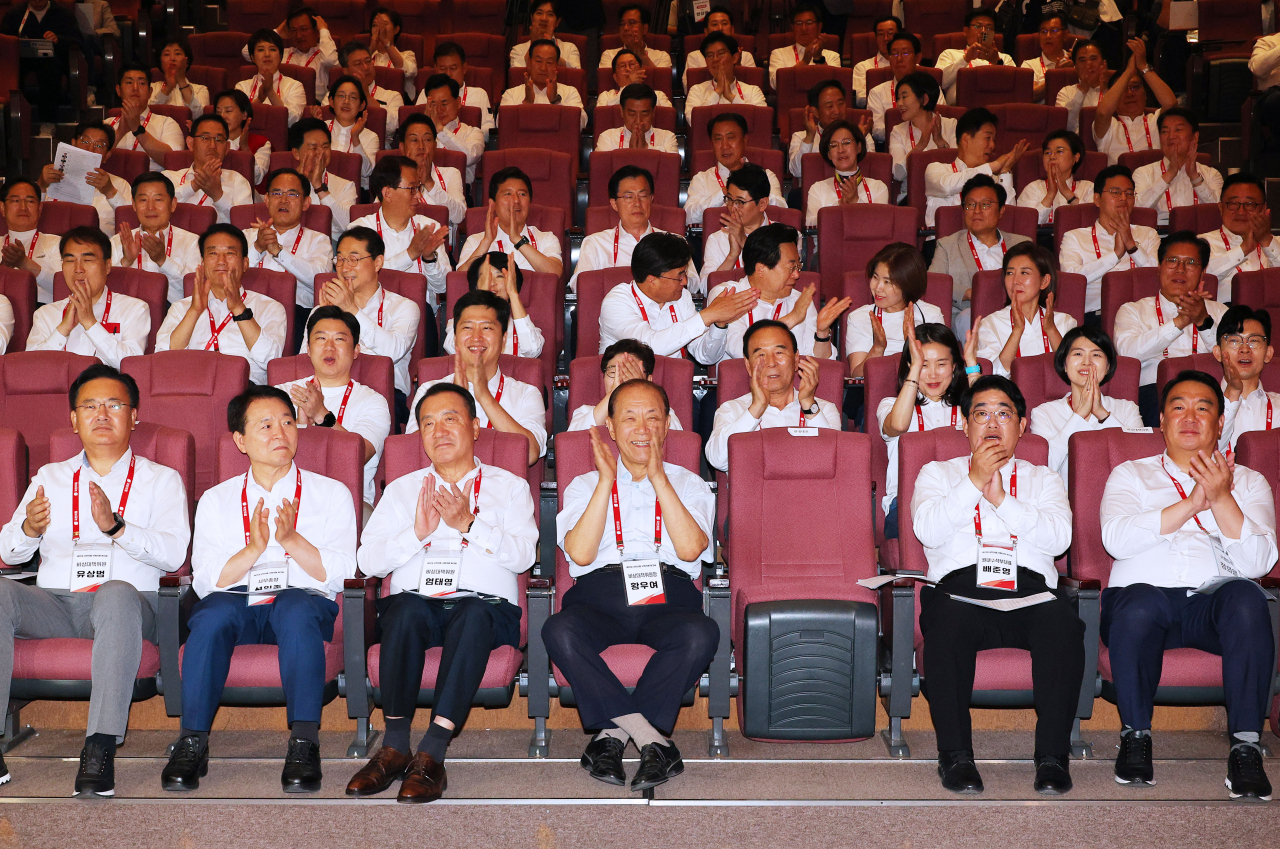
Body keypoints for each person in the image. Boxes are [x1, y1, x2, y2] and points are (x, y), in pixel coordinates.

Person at [0, 364, 189, 796]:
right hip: (55, 604)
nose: (101, 414)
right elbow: (10, 554)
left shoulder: (162, 480)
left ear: (134, 415)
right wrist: (28, 530)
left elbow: (175, 555)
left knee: (116, 592)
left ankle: (100, 745)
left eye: (114, 404)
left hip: (127, 605)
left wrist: (118, 528)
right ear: (73, 419)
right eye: (89, 406)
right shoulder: (50, 477)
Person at [345, 382, 536, 803]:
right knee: (405, 610)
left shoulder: (509, 486)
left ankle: (431, 751)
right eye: (428, 423)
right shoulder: (400, 490)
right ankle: (395, 747)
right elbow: (369, 561)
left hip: (486, 606)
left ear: (475, 427)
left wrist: (470, 524)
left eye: (450, 418)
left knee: (471, 613)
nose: (439, 430)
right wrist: (417, 533)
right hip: (417, 601)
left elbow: (523, 556)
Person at [161, 385, 357, 793]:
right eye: (265, 425)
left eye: (287, 422)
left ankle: (304, 742)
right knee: (211, 616)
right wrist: (253, 549)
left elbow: (341, 574)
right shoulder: (217, 499)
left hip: (300, 602)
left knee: (297, 608)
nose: (280, 433)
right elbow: (207, 579)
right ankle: (192, 741)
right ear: (240, 440)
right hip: (238, 601)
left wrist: (292, 542)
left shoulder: (331, 493)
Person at [1099, 370, 1276, 800]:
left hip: (1213, 603)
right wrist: (1192, 503)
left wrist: (1220, 498)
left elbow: (1260, 560)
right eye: (1178, 406)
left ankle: (1247, 747)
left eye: (1203, 408)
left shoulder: (1249, 482)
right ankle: (1136, 737)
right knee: (1139, 603)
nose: (1190, 416)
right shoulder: (1129, 475)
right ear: (1160, 420)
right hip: (1142, 600)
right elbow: (1116, 540)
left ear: (1219, 424)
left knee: (1249, 597)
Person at [910, 374, 1080, 795]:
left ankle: (1053, 757)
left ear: (1022, 426)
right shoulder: (936, 473)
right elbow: (927, 530)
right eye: (980, 414)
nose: (991, 423)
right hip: (960, 589)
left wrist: (1003, 500)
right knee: (945, 627)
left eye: (1003, 414)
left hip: (1030, 589)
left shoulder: (1044, 479)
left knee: (1063, 623)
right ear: (964, 425)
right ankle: (955, 755)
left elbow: (1059, 540)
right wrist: (973, 481)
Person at [547, 379, 718, 791]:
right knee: (559, 630)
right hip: (600, 596)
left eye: (652, 417)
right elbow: (581, 555)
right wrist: (607, 482)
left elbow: (693, 549)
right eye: (630, 417)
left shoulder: (690, 483)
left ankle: (609, 739)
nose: (642, 427)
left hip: (669, 596)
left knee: (702, 633)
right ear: (610, 425)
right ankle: (650, 740)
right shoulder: (585, 484)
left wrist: (660, 479)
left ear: (666, 425)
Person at [404, 290, 547, 465]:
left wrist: (484, 396)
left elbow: (530, 454)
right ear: (455, 339)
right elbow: (412, 453)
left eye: (486, 328)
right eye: (467, 327)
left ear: (503, 340)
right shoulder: (429, 390)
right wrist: (454, 401)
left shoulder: (527, 393)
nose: (476, 337)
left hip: (501, 490)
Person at [276, 306, 390, 513]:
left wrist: (321, 415)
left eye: (339, 339)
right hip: (284, 494)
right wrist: (302, 427)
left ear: (356, 350)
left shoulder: (373, 402)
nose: (329, 348)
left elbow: (358, 456)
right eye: (320, 339)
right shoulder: (280, 394)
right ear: (308, 349)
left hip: (348, 499)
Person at [1113, 232, 1228, 424]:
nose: (1180, 269)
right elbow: (1127, 353)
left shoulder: (1219, 312)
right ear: (1159, 267)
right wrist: (1178, 323)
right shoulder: (1132, 310)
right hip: (1155, 393)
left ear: (1203, 271)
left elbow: (1232, 357)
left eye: (1190, 262)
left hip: (1210, 392)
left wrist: (1203, 321)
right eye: (1172, 260)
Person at [155, 224, 288, 384]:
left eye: (230, 253)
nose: (221, 261)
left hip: (245, 393)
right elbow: (161, 358)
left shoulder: (270, 308)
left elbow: (270, 361)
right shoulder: (181, 308)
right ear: (203, 263)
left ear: (245, 263)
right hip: (192, 388)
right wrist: (194, 312)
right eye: (213, 253)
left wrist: (239, 309)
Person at [878, 321, 976, 538]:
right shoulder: (890, 406)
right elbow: (898, 425)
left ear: (954, 367)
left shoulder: (967, 410)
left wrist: (971, 364)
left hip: (964, 499)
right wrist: (914, 367)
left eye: (941, 364)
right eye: (924, 364)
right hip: (907, 502)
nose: (933, 375)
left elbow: (989, 421)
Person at [312, 226, 421, 420]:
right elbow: (307, 357)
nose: (345, 268)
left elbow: (393, 352)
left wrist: (351, 309)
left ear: (378, 262)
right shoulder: (323, 309)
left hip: (385, 395)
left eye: (354, 259)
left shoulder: (404, 307)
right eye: (341, 259)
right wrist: (324, 319)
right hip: (331, 391)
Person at [705, 320, 842, 472]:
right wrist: (756, 408)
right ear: (748, 365)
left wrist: (809, 404)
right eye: (761, 354)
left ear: (796, 359)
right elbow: (718, 460)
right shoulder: (732, 410)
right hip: (754, 495)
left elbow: (834, 461)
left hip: (811, 493)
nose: (771, 363)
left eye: (779, 352)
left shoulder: (823, 409)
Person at [598, 232, 754, 362]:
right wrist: (708, 315)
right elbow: (649, 348)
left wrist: (719, 325)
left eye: (685, 273)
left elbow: (706, 357)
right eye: (679, 276)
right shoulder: (616, 302)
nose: (685, 282)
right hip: (627, 391)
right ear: (652, 279)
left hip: (673, 385)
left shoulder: (682, 297)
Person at [706, 223, 847, 365]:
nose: (797, 275)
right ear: (761, 269)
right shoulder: (727, 295)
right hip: (741, 385)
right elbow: (741, 350)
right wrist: (791, 319)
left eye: (798, 266)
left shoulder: (800, 300)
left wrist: (822, 334)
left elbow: (819, 364)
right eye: (791, 267)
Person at [1029, 325, 1144, 482]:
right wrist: (1078, 416)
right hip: (1063, 500)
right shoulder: (1044, 413)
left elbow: (1140, 462)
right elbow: (1044, 466)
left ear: (1108, 366)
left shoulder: (1128, 409)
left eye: (1096, 355)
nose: (1087, 362)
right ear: (1064, 363)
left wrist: (1103, 414)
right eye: (1078, 354)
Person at [26, 227, 149, 368]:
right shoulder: (45, 315)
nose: (78, 269)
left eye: (88, 259)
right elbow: (31, 370)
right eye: (70, 261)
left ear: (108, 266)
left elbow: (132, 366)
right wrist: (62, 330)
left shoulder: (134, 309)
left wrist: (90, 323)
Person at [930, 174, 1031, 337]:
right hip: (974, 316)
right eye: (970, 205)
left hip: (1017, 310)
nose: (976, 210)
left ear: (1001, 211)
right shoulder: (948, 245)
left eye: (985, 204)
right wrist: (970, 293)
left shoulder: (1022, 244)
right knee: (967, 317)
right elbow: (934, 285)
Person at [571, 165, 697, 294]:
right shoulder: (596, 243)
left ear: (651, 199)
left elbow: (693, 285)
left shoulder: (674, 242)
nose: (637, 203)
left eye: (643, 196)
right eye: (628, 197)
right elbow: (579, 286)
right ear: (614, 204)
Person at [1058, 165, 1161, 318]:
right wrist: (1116, 255)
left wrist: (1131, 245)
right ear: (1097, 199)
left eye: (1129, 193)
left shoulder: (1148, 234)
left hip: (1141, 317)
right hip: (1095, 317)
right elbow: (1072, 281)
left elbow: (1157, 277)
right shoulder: (1074, 237)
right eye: (1116, 192)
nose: (1124, 198)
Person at [350, 156, 450, 303]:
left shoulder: (429, 227)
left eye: (419, 188)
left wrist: (429, 259)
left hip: (421, 315)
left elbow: (443, 288)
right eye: (413, 189)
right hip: (371, 313)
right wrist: (410, 254)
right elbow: (360, 280)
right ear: (388, 193)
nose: (419, 195)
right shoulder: (359, 231)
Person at [975, 243, 1078, 376]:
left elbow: (1075, 372)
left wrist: (1051, 330)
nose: (1015, 281)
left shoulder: (1065, 322)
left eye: (1024, 272)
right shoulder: (989, 324)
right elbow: (990, 376)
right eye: (1010, 273)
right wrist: (1016, 332)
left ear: (1044, 281)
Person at [848, 242, 946, 377]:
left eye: (887, 282)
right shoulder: (859, 317)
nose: (878, 288)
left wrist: (910, 345)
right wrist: (878, 348)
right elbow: (857, 376)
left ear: (908, 285)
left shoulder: (931, 316)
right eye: (875, 277)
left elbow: (939, 373)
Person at [245, 168, 333, 315]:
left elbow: (320, 281)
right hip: (250, 308)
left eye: (292, 194)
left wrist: (280, 253)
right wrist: (257, 248)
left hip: (296, 312)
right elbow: (230, 274)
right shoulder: (246, 236)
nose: (283, 200)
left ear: (306, 203)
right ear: (266, 200)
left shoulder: (318, 240)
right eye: (277, 193)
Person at [925, 107, 1025, 229]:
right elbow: (946, 187)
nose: (992, 146)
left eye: (994, 140)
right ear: (966, 139)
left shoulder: (993, 179)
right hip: (942, 244)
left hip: (983, 245)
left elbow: (1009, 218)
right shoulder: (937, 170)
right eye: (988, 138)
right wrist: (994, 165)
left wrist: (1005, 172)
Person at [108, 174, 199, 305]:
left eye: (158, 199)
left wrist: (163, 260)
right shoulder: (118, 241)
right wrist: (126, 262)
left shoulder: (192, 242)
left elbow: (193, 289)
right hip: (127, 315)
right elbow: (103, 288)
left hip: (173, 315)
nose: (150, 207)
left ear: (173, 204)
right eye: (143, 200)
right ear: (133, 205)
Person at [457, 167, 563, 277]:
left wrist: (518, 240)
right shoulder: (476, 241)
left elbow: (555, 275)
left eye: (522, 194)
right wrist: (486, 243)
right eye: (508, 194)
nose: (516, 200)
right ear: (493, 204)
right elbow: (460, 282)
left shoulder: (546, 239)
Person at [686, 115, 785, 227]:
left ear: (745, 140)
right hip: (716, 242)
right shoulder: (701, 179)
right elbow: (688, 218)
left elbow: (781, 211)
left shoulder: (766, 175)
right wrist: (723, 194)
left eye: (731, 137)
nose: (724, 146)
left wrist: (751, 190)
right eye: (718, 139)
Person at [1091, 37, 1177, 165]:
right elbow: (1103, 113)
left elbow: (1170, 103)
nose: (1130, 93)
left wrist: (1143, 66)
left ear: (1146, 95)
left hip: (1158, 182)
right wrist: (1129, 71)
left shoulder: (1155, 120)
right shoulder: (1110, 126)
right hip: (1121, 182)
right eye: (1123, 90)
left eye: (1135, 87)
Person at [443, 252, 544, 359]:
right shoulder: (459, 322)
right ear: (476, 285)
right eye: (485, 277)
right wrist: (483, 296)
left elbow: (532, 350)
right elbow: (453, 348)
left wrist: (513, 294)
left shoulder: (523, 325)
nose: (492, 283)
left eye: (499, 276)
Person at [1132, 108, 1223, 227]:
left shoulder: (1211, 174)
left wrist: (1195, 178)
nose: (1171, 136)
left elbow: (1218, 212)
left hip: (1201, 238)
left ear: (1195, 137)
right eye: (1165, 131)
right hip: (1160, 238)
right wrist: (1169, 173)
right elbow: (1137, 211)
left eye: (1178, 130)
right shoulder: (1143, 173)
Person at [38, 120, 131, 235]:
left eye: (99, 145)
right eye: (85, 141)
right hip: (53, 250)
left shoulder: (119, 185)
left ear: (107, 156)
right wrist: (41, 186)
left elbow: (132, 222)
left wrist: (110, 192)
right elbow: (31, 218)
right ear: (73, 144)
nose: (90, 149)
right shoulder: (50, 177)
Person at [568, 339, 682, 432]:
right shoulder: (585, 412)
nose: (621, 380)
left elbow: (677, 444)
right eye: (614, 373)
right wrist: (615, 394)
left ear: (649, 381)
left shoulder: (662, 412)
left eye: (630, 373)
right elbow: (574, 445)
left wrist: (639, 390)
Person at [162, 114, 254, 224]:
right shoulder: (168, 178)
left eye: (218, 139)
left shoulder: (237, 181)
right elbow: (158, 206)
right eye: (205, 138)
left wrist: (218, 195)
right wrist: (194, 185)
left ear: (227, 148)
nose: (212, 145)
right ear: (191, 143)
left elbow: (245, 224)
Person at [1201, 173, 1279, 302]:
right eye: (1233, 203)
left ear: (1263, 209)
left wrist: (1266, 240)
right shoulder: (1201, 244)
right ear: (1221, 208)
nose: (1241, 211)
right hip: (1224, 319)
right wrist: (1243, 249)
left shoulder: (1276, 243)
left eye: (1249, 204)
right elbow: (1195, 277)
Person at [1213, 305, 1280, 453]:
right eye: (1234, 341)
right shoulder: (1201, 405)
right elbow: (1207, 451)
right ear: (1217, 352)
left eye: (1254, 341)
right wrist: (1232, 392)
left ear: (1268, 353)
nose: (1244, 349)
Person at [1, 0, 82, 123]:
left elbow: (78, 40)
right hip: (22, 59)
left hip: (52, 60)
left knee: (50, 68)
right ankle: (13, 122)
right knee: (12, 71)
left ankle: (48, 123)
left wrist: (58, 39)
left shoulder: (62, 14)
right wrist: (16, 41)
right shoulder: (15, 14)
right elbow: (4, 40)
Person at [804, 120, 889, 228]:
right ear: (829, 154)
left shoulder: (879, 187)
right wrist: (839, 208)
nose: (841, 150)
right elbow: (810, 224)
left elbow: (882, 225)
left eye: (846, 143)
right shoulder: (817, 189)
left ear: (858, 147)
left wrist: (856, 201)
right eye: (834, 145)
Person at [702, 163, 780, 275]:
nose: (732, 208)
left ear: (762, 204)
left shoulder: (784, 238)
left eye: (740, 202)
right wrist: (732, 256)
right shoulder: (717, 239)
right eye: (729, 199)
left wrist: (744, 242)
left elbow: (779, 281)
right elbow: (707, 287)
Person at [289, 118, 357, 242]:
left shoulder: (345, 186)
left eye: (325, 147)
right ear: (296, 153)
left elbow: (348, 226)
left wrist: (319, 187)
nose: (321, 154)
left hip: (329, 246)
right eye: (313, 148)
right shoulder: (281, 183)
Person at [868, 33, 942, 147]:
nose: (899, 59)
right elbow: (877, 130)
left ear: (918, 57)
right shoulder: (876, 93)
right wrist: (904, 130)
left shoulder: (931, 88)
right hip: (895, 145)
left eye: (905, 53)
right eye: (894, 54)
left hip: (932, 143)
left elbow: (940, 118)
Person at [106, 63, 183, 170]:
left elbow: (174, 162)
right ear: (118, 90)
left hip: (153, 183)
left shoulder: (167, 123)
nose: (135, 88)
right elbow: (91, 161)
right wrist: (119, 133)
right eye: (129, 82)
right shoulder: (106, 124)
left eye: (141, 83)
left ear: (150, 92)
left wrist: (138, 130)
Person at [499, 39, 587, 131]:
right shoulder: (511, 94)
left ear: (556, 66)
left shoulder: (570, 92)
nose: (543, 68)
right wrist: (526, 104)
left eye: (549, 62)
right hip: (522, 144)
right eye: (538, 61)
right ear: (529, 63)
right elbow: (502, 125)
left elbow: (580, 124)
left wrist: (555, 101)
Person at [395, 113, 466, 226]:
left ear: (435, 145)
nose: (421, 146)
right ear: (402, 148)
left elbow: (459, 216)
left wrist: (429, 182)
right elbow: (382, 212)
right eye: (414, 140)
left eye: (427, 139)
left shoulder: (451, 174)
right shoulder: (392, 175)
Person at [0, 178, 63, 303]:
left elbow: (65, 287)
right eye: (16, 200)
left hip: (44, 313)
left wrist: (25, 264)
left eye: (30, 201)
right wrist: (4, 268)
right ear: (2, 208)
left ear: (40, 208)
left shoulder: (57, 243)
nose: (23, 207)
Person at [889, 72, 956, 189]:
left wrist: (940, 142)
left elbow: (959, 166)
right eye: (898, 98)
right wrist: (920, 146)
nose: (899, 103)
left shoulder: (951, 125)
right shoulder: (897, 131)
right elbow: (898, 174)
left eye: (904, 97)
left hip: (946, 193)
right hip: (910, 196)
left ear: (924, 99)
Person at [416, 74, 484, 188]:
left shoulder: (472, 133)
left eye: (444, 104)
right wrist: (425, 128)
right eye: (433, 104)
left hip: (459, 192)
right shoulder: (418, 133)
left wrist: (440, 130)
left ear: (458, 103)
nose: (438, 110)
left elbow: (468, 157)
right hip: (420, 191)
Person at [935, 8, 1016, 104]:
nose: (983, 31)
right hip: (961, 109)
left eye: (989, 28)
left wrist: (997, 63)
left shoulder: (1004, 58)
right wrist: (966, 59)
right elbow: (939, 82)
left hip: (996, 106)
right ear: (966, 31)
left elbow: (1014, 87)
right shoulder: (950, 54)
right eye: (978, 26)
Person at [684, 32, 767, 124]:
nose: (715, 59)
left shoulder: (753, 91)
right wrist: (718, 92)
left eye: (721, 54)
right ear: (706, 62)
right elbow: (694, 121)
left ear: (735, 58)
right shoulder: (697, 91)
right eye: (710, 55)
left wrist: (731, 97)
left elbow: (761, 122)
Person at [330, 40, 405, 143]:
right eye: (358, 64)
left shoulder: (392, 96)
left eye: (368, 61)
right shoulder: (335, 95)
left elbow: (393, 127)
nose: (365, 67)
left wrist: (366, 94)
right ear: (346, 71)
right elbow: (329, 122)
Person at [1017, 130, 1094, 226]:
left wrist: (1067, 193)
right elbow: (1026, 224)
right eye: (1047, 153)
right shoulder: (1033, 188)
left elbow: (1091, 221)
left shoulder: (1088, 188)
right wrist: (1050, 194)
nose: (1052, 157)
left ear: (1076, 157)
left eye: (1059, 151)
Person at [789, 80, 858, 182]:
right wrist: (810, 137)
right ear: (815, 112)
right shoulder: (801, 137)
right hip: (816, 195)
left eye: (841, 104)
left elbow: (869, 170)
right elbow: (797, 171)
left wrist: (858, 140)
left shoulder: (861, 133)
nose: (837, 111)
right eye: (830, 106)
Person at [235, 29, 307, 126]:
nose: (267, 54)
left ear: (281, 56)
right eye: (261, 50)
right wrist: (259, 100)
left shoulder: (295, 86)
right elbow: (237, 120)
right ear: (252, 57)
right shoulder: (242, 87)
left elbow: (292, 120)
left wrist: (270, 92)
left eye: (272, 49)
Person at [427, 41, 494, 139]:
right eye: (443, 68)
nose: (448, 74)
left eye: (453, 68)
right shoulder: (426, 93)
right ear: (435, 69)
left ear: (464, 68)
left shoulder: (479, 94)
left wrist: (462, 135)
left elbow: (489, 130)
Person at [323, 75, 380, 187]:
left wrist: (355, 138)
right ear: (331, 101)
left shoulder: (371, 137)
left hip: (356, 192)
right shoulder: (321, 128)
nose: (346, 101)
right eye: (341, 96)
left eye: (353, 97)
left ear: (362, 105)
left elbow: (367, 172)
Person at [681, 6, 756, 91]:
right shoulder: (695, 56)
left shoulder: (746, 56)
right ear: (706, 31)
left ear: (732, 29)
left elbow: (752, 89)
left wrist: (737, 67)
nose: (720, 28)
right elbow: (688, 89)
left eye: (724, 24)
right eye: (714, 24)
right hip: (705, 100)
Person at [767, 3, 841, 89]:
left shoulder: (833, 56)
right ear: (792, 27)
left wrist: (818, 58)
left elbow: (836, 86)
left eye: (809, 23)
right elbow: (776, 84)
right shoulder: (778, 54)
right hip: (791, 101)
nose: (804, 28)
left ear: (819, 26)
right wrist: (805, 61)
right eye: (799, 23)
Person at [277, 7, 338, 102]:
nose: (298, 35)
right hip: (283, 106)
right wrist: (277, 32)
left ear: (316, 30)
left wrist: (323, 30)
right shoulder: (283, 54)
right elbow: (247, 52)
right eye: (293, 30)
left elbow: (330, 61)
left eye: (304, 29)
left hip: (315, 108)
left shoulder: (325, 55)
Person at [595, 84, 678, 154]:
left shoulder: (667, 138)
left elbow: (671, 168)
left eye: (645, 114)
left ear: (653, 112)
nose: (638, 121)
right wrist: (631, 153)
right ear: (622, 112)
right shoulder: (608, 137)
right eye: (632, 114)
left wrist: (645, 148)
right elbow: (602, 169)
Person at [214, 89, 272, 189]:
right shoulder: (211, 142)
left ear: (244, 114)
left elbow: (257, 179)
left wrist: (245, 149)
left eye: (228, 111)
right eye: (218, 112)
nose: (222, 116)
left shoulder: (261, 143)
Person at [1055, 39, 1108, 134]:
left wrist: (1106, 91)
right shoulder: (1066, 92)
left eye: (1093, 59)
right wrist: (1083, 88)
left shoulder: (1115, 90)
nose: (1088, 65)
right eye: (1083, 60)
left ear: (1103, 63)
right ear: (1075, 67)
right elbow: (1062, 127)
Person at [511, 0, 581, 69]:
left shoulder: (570, 49)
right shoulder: (517, 50)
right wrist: (534, 43)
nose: (544, 18)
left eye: (550, 14)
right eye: (539, 13)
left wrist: (550, 46)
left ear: (557, 22)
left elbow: (576, 76)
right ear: (532, 18)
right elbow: (517, 76)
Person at [151, 37, 209, 120]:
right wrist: (167, 89)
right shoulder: (151, 88)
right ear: (160, 62)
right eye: (167, 54)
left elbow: (200, 117)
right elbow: (145, 115)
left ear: (187, 61)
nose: (172, 58)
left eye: (177, 54)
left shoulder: (200, 89)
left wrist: (181, 80)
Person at [599, 4, 672, 69]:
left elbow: (660, 82)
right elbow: (609, 82)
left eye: (632, 23)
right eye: (622, 24)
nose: (626, 28)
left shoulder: (661, 57)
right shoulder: (609, 55)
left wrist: (642, 56)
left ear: (645, 28)